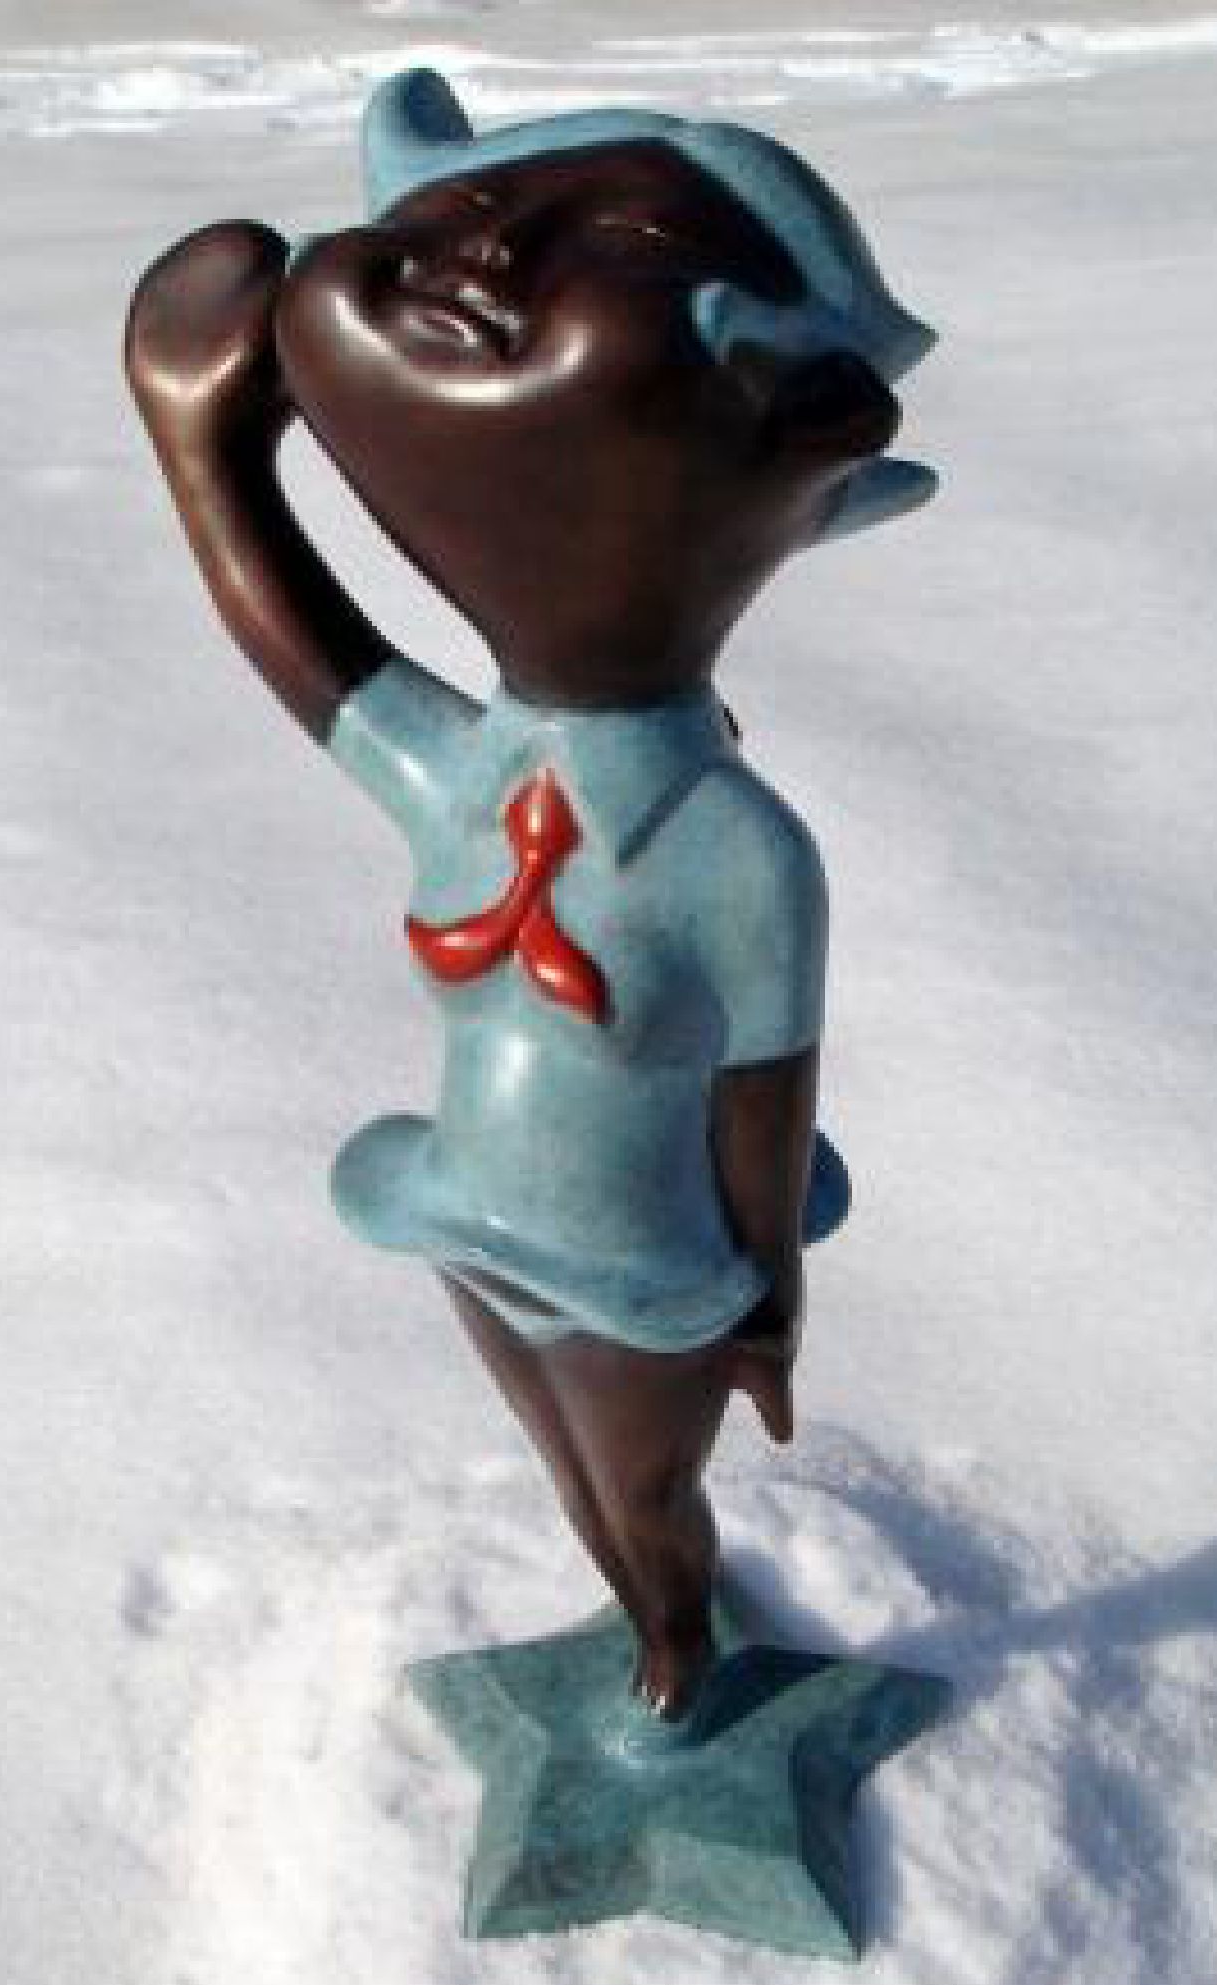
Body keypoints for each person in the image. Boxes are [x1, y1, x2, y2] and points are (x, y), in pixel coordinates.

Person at [125, 68, 935, 1717]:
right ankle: (643, 1621)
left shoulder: (741, 854)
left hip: (650, 1263)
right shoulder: (475, 772)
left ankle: (677, 1650)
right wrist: (205, 447)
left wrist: (770, 1301)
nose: (483, 258)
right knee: (567, 1468)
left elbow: (765, 1108)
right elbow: (313, 655)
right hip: (464, 1208)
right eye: (471, 207)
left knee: (644, 1491)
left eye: (619, 246)